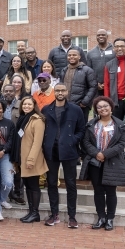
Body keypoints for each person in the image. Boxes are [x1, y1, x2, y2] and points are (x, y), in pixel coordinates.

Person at [79, 97, 125, 231]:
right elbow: (86, 142)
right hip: (95, 162)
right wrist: (97, 153)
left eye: (105, 106)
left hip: (112, 162)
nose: (103, 109)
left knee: (111, 191)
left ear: (111, 107)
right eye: (99, 107)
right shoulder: (91, 124)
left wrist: (105, 154)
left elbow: (121, 144)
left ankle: (110, 218)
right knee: (98, 191)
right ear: (96, 110)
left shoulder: (120, 125)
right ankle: (101, 217)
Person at [41, 82, 85, 228]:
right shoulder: (46, 109)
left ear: (67, 92)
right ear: (54, 92)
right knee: (51, 183)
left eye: (63, 90)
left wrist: (73, 140)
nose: (60, 92)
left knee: (71, 184)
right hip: (51, 150)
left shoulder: (75, 109)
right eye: (57, 90)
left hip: (69, 150)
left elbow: (81, 130)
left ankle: (72, 217)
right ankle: (54, 214)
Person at [13, 96, 47, 223]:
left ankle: (35, 213)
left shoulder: (38, 120)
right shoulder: (23, 119)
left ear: (34, 106)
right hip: (22, 158)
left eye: (29, 104)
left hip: (32, 159)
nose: (26, 106)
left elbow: (37, 143)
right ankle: (31, 211)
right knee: (27, 185)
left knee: (34, 186)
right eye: (24, 104)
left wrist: (31, 160)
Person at [59, 48, 98, 123]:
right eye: (69, 55)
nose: (71, 57)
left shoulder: (87, 70)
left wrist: (85, 102)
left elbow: (93, 87)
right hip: (66, 104)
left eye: (74, 55)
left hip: (81, 106)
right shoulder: (64, 70)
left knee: (80, 128)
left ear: (79, 57)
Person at [86, 29, 115, 97]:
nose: (100, 36)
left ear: (107, 36)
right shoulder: (90, 53)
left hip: (112, 84)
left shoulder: (114, 50)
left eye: (103, 35)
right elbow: (89, 71)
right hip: (97, 87)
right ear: (96, 37)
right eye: (98, 35)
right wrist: (96, 83)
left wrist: (108, 82)